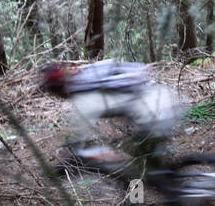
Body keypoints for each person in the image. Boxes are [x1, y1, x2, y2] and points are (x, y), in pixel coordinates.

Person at [40, 60, 182, 168]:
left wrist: (76, 154)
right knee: (146, 158)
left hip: (156, 116)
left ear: (60, 91)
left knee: (134, 164)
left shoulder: (83, 99)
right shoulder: (91, 77)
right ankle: (172, 187)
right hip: (164, 101)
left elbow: (79, 139)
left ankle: (138, 201)